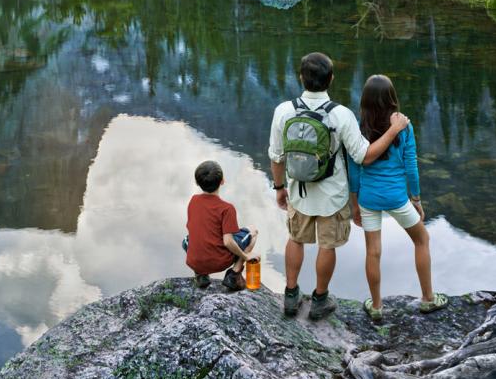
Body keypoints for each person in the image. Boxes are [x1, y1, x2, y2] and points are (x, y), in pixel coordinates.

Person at [269, 52, 409, 320]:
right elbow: (364, 156)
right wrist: (393, 131)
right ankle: (319, 299)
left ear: (301, 78)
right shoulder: (341, 115)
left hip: (299, 192)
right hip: (332, 196)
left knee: (296, 239)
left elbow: (276, 156)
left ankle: (290, 295)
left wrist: (279, 187)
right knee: (327, 245)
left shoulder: (284, 111)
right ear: (331, 79)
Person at [348, 73, 447, 318]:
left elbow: (353, 171)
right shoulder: (404, 127)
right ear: (392, 98)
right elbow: (411, 165)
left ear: (365, 100)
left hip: (369, 198)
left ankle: (377, 306)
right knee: (421, 240)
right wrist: (416, 199)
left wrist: (355, 204)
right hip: (397, 198)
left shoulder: (358, 128)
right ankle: (427, 298)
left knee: (373, 252)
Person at [184, 159, 258, 291]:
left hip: (194, 261)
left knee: (186, 240)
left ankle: (201, 275)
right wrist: (246, 256)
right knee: (253, 231)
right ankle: (234, 274)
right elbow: (228, 242)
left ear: (196, 182)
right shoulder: (227, 208)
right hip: (220, 261)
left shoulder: (193, 201)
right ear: (222, 181)